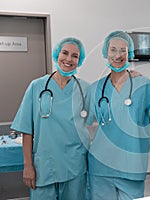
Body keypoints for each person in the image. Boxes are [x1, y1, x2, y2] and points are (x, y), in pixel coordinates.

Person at [85, 30, 150, 200]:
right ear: (105, 53)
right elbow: (87, 121)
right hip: (100, 166)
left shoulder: (144, 84)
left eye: (123, 50)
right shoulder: (94, 88)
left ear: (130, 54)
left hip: (132, 165)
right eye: (113, 49)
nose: (118, 55)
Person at [11, 37, 90, 199]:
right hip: (44, 166)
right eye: (65, 53)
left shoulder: (85, 89)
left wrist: (127, 75)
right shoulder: (37, 86)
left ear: (79, 60)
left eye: (75, 56)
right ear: (57, 54)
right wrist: (28, 165)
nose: (69, 59)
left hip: (74, 165)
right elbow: (27, 129)